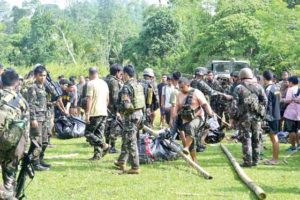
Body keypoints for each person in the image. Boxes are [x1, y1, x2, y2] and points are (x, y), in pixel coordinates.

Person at [230, 68, 267, 167]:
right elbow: (265, 102)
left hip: (244, 118)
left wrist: (232, 118)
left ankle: (248, 161)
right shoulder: (259, 87)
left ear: (241, 76)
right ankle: (256, 160)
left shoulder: (238, 88)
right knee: (257, 138)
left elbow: (234, 105)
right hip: (257, 118)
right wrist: (258, 110)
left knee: (246, 138)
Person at [0, 69, 28, 199]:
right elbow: (25, 129)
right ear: (17, 83)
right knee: (10, 179)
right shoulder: (21, 102)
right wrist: (24, 150)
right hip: (13, 146)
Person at [174, 77, 215, 162]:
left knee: (190, 127)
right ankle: (194, 160)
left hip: (198, 118)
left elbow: (205, 104)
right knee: (191, 138)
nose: (181, 89)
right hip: (185, 119)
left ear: (188, 85)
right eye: (179, 87)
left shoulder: (197, 93)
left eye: (182, 87)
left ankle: (186, 147)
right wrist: (173, 117)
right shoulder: (179, 94)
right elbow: (176, 106)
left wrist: (210, 113)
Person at [114, 65, 145, 174]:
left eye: (123, 74)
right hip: (139, 115)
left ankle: (135, 167)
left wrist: (121, 111)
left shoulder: (126, 87)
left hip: (130, 116)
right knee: (126, 138)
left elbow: (126, 105)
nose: (122, 76)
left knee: (131, 141)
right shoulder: (138, 85)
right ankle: (121, 161)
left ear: (126, 74)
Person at [26, 65, 51, 171]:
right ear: (35, 76)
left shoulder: (44, 87)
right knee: (37, 141)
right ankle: (34, 163)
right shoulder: (32, 88)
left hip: (44, 117)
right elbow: (30, 105)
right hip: (37, 118)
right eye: (41, 75)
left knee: (45, 141)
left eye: (45, 75)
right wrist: (33, 119)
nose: (43, 77)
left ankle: (40, 159)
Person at [84, 67, 110, 160]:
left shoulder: (90, 84)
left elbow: (89, 99)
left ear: (90, 74)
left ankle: (104, 145)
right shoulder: (104, 83)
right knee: (98, 134)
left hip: (94, 112)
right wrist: (104, 108)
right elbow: (107, 99)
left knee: (88, 133)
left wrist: (87, 114)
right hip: (104, 111)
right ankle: (97, 155)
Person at [263, 70, 281, 165]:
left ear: (264, 78)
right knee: (273, 137)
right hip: (277, 115)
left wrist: (266, 116)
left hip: (271, 116)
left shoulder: (268, 89)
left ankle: (275, 159)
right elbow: (279, 101)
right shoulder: (276, 88)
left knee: (274, 138)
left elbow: (267, 104)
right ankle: (274, 158)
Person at [105, 63, 123, 153]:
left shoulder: (105, 79)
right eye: (120, 74)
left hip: (105, 107)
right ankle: (112, 147)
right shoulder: (114, 82)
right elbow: (115, 97)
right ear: (117, 73)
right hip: (112, 108)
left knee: (107, 128)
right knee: (114, 128)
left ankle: (106, 145)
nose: (121, 76)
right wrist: (117, 110)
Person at [282, 76, 300, 152]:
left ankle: (293, 147)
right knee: (298, 130)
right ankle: (299, 145)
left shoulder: (290, 89)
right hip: (299, 113)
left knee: (291, 130)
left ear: (291, 82)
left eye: (289, 82)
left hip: (291, 113)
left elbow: (288, 100)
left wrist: (282, 100)